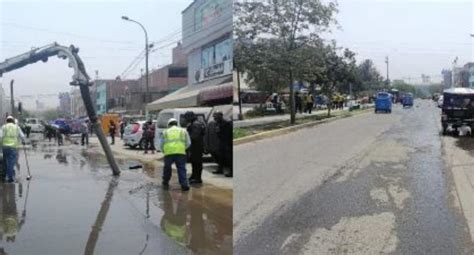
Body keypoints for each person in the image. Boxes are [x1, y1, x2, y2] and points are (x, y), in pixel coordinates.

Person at [159, 118, 191, 191]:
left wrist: (164, 151)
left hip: (168, 153)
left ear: (169, 124)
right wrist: (183, 148)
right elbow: (188, 143)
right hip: (180, 153)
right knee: (181, 168)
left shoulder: (165, 132)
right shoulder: (183, 131)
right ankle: (184, 185)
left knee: (167, 168)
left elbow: (161, 144)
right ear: (176, 123)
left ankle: (165, 181)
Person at [0, 116, 25, 182]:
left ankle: (4, 176)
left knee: (5, 161)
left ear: (7, 121)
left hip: (5, 147)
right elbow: (22, 136)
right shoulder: (17, 127)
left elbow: (0, 136)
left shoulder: (4, 127)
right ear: (13, 121)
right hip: (13, 147)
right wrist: (23, 141)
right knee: (11, 163)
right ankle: (10, 177)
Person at [184, 111, 206, 184]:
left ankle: (198, 178)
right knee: (193, 162)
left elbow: (194, 136)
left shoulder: (196, 124)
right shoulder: (194, 123)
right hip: (195, 146)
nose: (186, 119)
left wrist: (187, 136)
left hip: (197, 146)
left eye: (187, 117)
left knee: (197, 163)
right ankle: (194, 176)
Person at [213, 111, 233, 177]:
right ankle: (220, 169)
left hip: (227, 142)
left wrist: (227, 144)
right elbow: (218, 133)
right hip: (221, 142)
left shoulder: (226, 123)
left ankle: (231, 172)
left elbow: (228, 134)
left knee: (229, 158)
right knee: (220, 157)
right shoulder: (217, 123)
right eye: (214, 116)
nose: (214, 118)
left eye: (216, 116)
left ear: (220, 116)